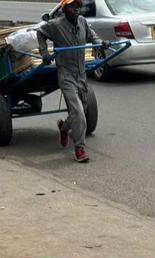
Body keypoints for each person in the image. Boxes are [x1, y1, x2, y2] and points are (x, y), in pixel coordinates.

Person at [36, 0, 108, 162]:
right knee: (78, 112)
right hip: (66, 76)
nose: (76, 9)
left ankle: (63, 128)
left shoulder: (82, 21)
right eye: (72, 6)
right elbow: (40, 33)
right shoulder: (55, 25)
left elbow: (92, 35)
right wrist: (44, 53)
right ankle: (80, 149)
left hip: (81, 75)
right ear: (64, 8)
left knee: (81, 109)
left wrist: (100, 43)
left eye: (78, 6)